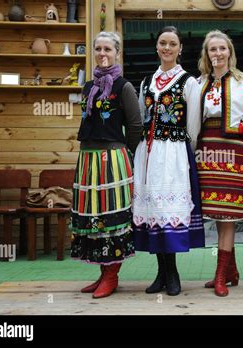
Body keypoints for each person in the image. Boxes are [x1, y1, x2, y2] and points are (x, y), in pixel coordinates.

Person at [132, 26, 205, 296]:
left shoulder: (189, 82)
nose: (167, 48)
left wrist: (184, 151)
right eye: (163, 43)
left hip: (174, 152)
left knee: (168, 212)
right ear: (157, 47)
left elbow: (193, 125)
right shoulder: (146, 82)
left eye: (172, 44)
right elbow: (141, 117)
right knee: (153, 212)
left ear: (180, 48)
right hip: (148, 154)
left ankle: (172, 273)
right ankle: (161, 272)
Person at [71, 31, 143, 299]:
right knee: (93, 217)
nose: (102, 54)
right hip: (87, 159)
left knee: (111, 218)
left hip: (112, 160)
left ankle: (112, 276)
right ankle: (102, 273)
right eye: (98, 49)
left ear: (117, 53)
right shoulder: (88, 87)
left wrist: (127, 154)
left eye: (108, 49)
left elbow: (135, 126)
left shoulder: (123, 86)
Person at [197, 30, 243, 297]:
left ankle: (221, 275)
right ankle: (229, 271)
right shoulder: (199, 83)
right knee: (216, 212)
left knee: (229, 214)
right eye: (213, 49)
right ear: (207, 54)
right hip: (207, 149)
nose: (218, 53)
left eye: (222, 48)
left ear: (230, 51)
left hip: (232, 149)